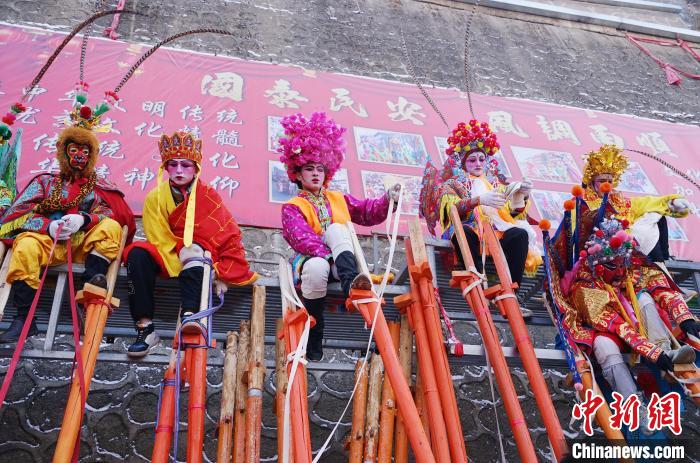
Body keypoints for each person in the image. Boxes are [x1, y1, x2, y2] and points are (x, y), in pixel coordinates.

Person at [0, 92, 134, 343]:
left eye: (85, 150)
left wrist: (85, 219)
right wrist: (47, 226)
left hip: (81, 245)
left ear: (91, 154)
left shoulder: (99, 187)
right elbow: (10, 219)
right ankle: (24, 319)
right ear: (64, 152)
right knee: (25, 246)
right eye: (73, 149)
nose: (79, 155)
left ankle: (90, 288)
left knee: (112, 227)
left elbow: (110, 215)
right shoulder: (44, 182)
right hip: (46, 243)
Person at [550, 213, 698, 433]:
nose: (620, 271)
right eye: (613, 266)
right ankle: (635, 405)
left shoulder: (629, 266)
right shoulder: (585, 287)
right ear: (597, 263)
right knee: (605, 347)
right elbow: (618, 326)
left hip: (641, 330)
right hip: (605, 332)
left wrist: (684, 318)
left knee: (646, 298)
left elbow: (660, 286)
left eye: (623, 263)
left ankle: (665, 349)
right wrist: (652, 354)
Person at [124, 131, 258, 357]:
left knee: (195, 251)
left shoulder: (208, 195)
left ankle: (190, 316)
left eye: (185, 165)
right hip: (167, 251)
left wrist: (223, 272)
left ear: (195, 168)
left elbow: (225, 232)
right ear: (166, 168)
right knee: (136, 254)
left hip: (198, 254)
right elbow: (157, 235)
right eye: (173, 165)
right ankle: (145, 328)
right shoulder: (155, 198)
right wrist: (179, 251)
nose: (178, 170)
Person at [279, 112, 400, 362]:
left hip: (342, 262)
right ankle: (315, 330)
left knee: (336, 229)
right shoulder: (292, 206)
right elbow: (301, 238)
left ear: (327, 172)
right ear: (298, 174)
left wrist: (389, 199)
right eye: (309, 169)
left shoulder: (338, 198)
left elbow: (367, 212)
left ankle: (351, 284)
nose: (315, 174)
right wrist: (328, 255)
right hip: (313, 262)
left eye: (319, 169)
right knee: (316, 267)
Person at [420, 119, 541, 318]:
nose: (477, 164)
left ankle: (512, 292)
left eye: (481, 159)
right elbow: (451, 210)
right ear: (463, 162)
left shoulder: (496, 183)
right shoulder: (453, 184)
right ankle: (476, 281)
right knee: (465, 233)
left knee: (519, 234)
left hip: (495, 232)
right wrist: (478, 200)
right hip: (470, 229)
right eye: (472, 160)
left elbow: (511, 213)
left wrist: (522, 195)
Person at [581, 145, 692, 291]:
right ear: (592, 183)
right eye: (602, 180)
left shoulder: (623, 203)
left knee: (655, 215)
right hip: (600, 260)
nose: (607, 184)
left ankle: (664, 271)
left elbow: (649, 203)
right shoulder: (583, 204)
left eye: (610, 180)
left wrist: (672, 202)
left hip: (632, 255)